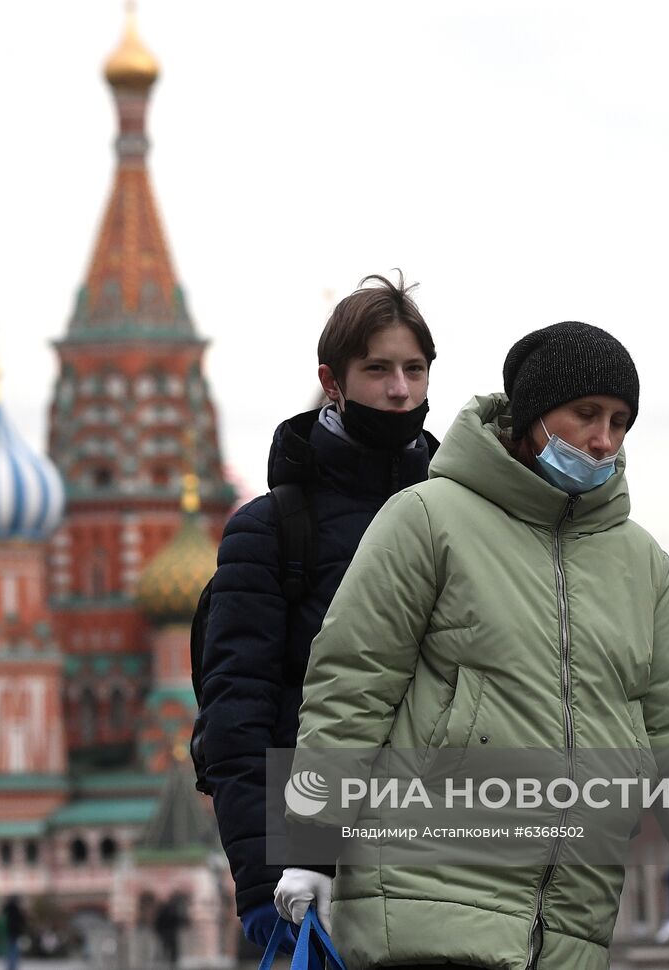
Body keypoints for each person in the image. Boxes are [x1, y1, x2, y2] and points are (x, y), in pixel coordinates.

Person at [276, 322, 669, 970]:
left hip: (571, 927)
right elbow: (352, 687)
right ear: (532, 414)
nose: (603, 439)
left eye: (620, 422)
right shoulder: (428, 518)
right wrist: (311, 845)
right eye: (586, 413)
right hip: (427, 902)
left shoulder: (641, 561)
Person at [197, 272, 439, 949]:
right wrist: (261, 879)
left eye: (414, 370)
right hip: (322, 865)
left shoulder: (462, 520)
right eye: (378, 370)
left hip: (449, 854)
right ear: (332, 382)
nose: (400, 390)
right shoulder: (271, 531)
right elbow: (237, 716)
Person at [0, 896, 27, 970]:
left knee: (10, 948)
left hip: (9, 931)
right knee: (14, 948)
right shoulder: (18, 910)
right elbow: (23, 921)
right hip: (16, 932)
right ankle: (13, 965)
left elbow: (2, 915)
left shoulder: (8, 908)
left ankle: (10, 965)